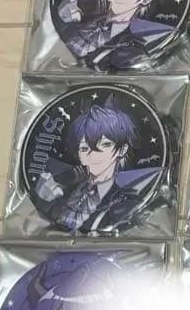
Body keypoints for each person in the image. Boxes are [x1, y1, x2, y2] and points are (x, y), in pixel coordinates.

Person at [35, 96, 160, 233]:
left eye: (104, 145)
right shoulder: (65, 186)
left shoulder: (127, 200)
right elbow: (42, 223)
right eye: (84, 148)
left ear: (122, 150)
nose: (92, 155)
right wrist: (43, 199)